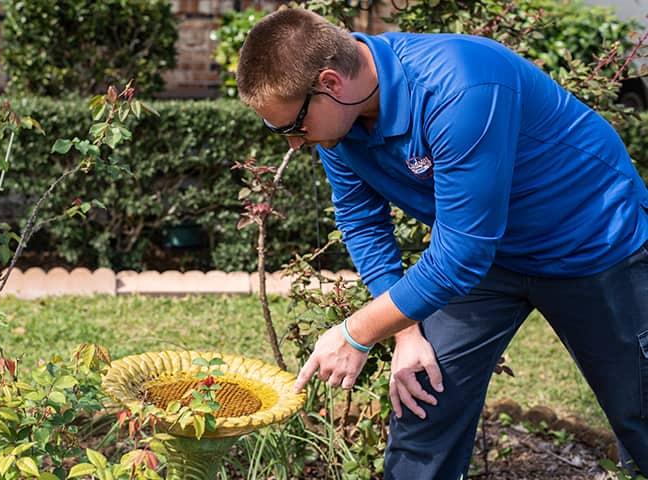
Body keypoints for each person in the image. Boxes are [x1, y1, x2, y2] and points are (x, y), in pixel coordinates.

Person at [236, 7, 648, 479]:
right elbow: (362, 221)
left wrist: (356, 332)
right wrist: (405, 333)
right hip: (486, 260)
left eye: (292, 127)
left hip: (594, 242)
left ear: (330, 83)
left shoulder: (462, 86)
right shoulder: (339, 129)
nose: (293, 144)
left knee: (639, 410)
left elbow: (463, 255)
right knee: (423, 399)